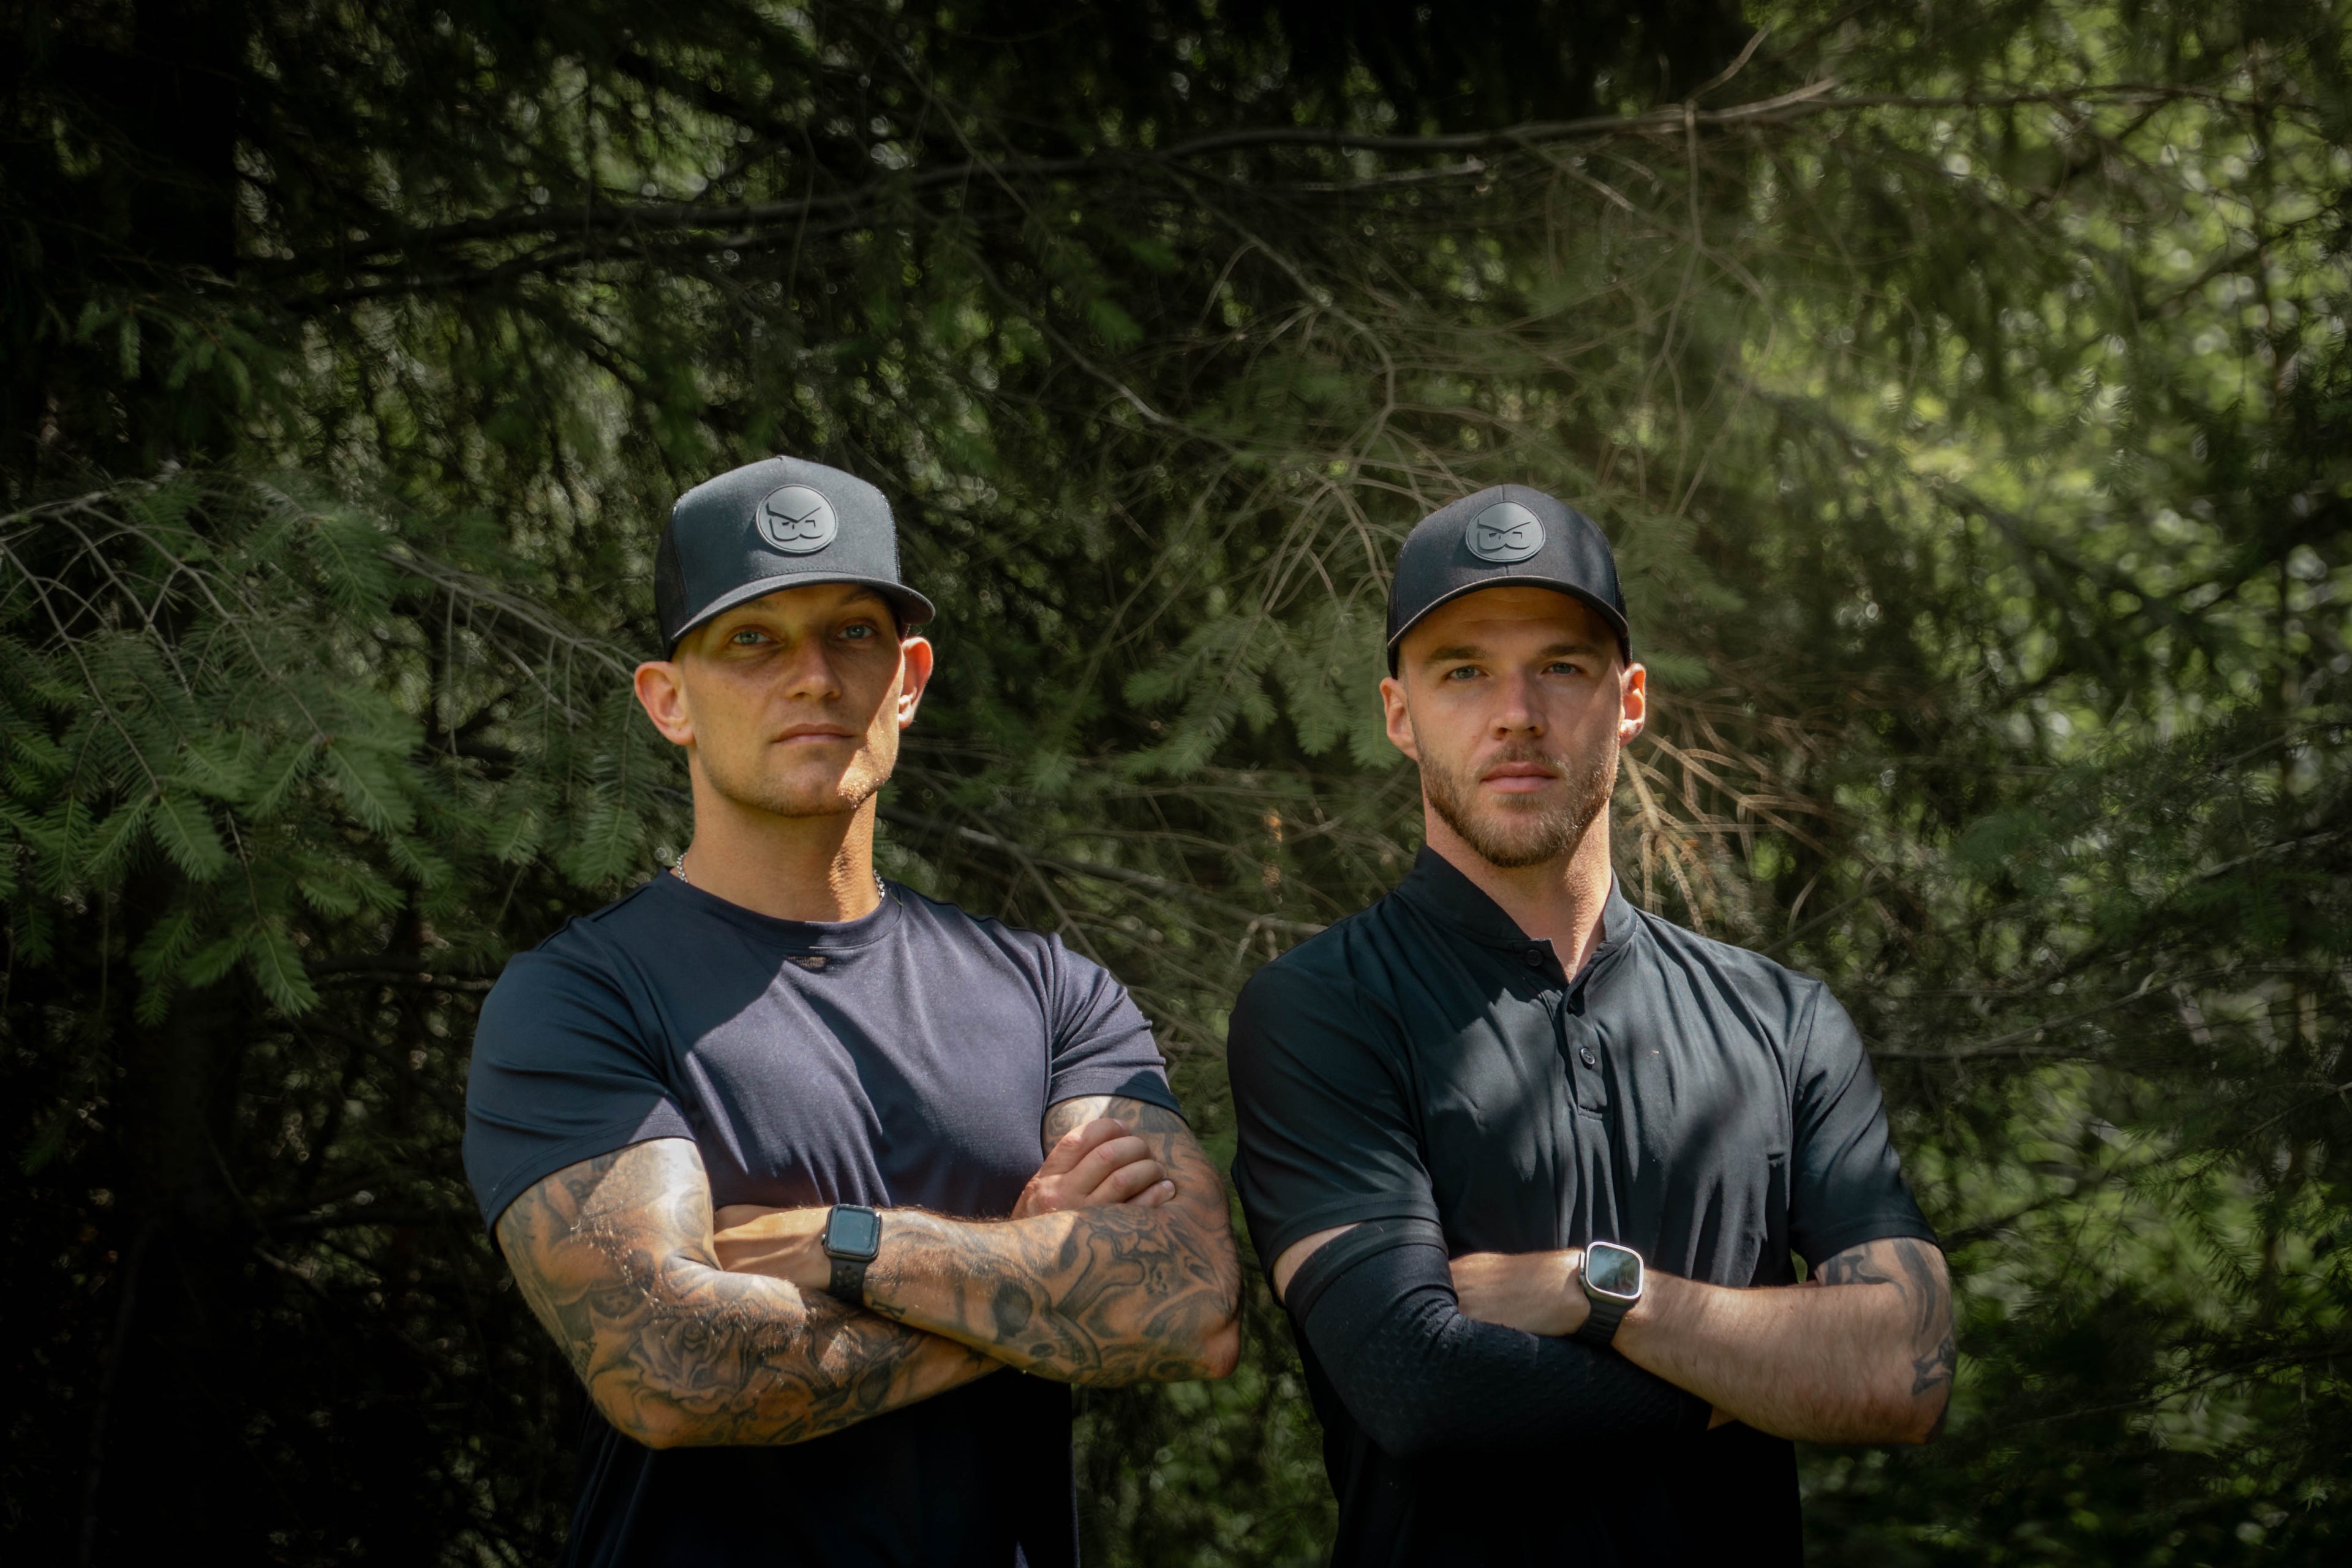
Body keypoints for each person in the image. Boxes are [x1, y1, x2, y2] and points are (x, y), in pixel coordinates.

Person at [463, 456, 1242, 1568]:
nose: (815, 678)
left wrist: (842, 1243)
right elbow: (670, 1370)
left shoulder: (1052, 995)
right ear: (668, 700)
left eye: (854, 634)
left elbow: (1192, 1308)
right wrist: (1042, 1292)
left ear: (908, 678)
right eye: (753, 640)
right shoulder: (581, 999)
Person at [1226, 486, 1953, 1567]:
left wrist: (1596, 1292)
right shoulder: (1323, 1008)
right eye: (1463, 671)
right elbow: (1420, 1387)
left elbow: (1905, 1367)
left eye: (1562, 666)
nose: (1516, 713)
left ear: (1630, 699)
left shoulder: (1781, 1021)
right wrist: (1769, 1374)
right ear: (1398, 713)